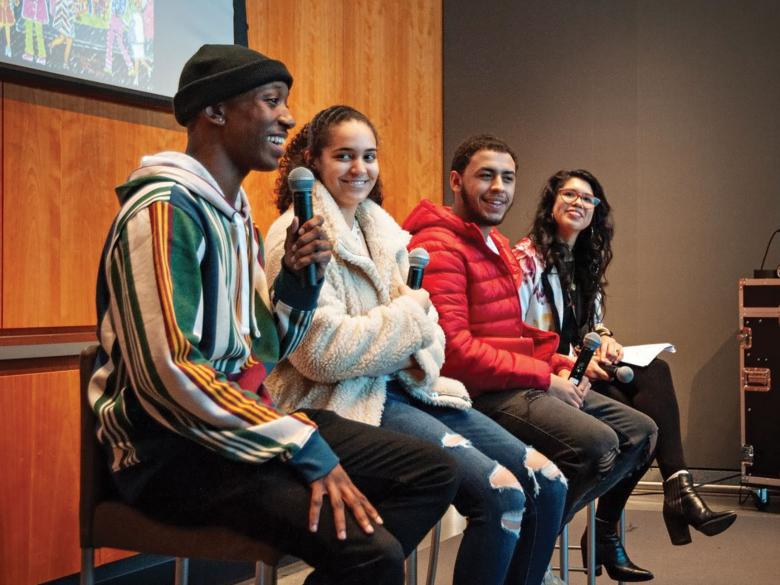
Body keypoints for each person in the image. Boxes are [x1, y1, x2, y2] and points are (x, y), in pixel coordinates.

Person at [88, 45, 459, 585]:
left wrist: (295, 288)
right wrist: (303, 446)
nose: (287, 117)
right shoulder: (164, 211)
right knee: (371, 552)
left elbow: (263, 349)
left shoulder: (235, 218)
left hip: (238, 423)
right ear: (215, 112)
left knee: (432, 473)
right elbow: (171, 372)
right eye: (271, 101)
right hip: (170, 449)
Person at [265, 106, 567, 585]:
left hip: (405, 386)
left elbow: (433, 337)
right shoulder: (296, 233)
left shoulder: (385, 232)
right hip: (346, 400)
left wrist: (404, 336)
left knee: (549, 482)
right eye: (344, 156)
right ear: (313, 161)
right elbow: (323, 353)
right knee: (502, 494)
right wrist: (406, 326)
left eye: (369, 156)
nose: (360, 168)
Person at [404, 135, 659, 582]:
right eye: (486, 175)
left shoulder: (494, 243)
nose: (498, 186)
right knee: (597, 444)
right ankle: (529, 552)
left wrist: (559, 364)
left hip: (512, 381)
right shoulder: (441, 246)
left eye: (507, 177)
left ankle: (532, 536)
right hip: (473, 394)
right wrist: (546, 377)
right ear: (456, 181)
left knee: (639, 432)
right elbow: (455, 353)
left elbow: (513, 332)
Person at [513, 169, 737, 549]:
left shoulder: (585, 261)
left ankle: (660, 499)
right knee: (641, 429)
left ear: (595, 212)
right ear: (551, 205)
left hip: (583, 368)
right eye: (569, 195)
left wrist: (605, 340)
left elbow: (590, 325)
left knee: (655, 374)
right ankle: (616, 527)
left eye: (587, 199)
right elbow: (518, 332)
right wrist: (572, 359)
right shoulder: (527, 260)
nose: (578, 203)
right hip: (549, 376)